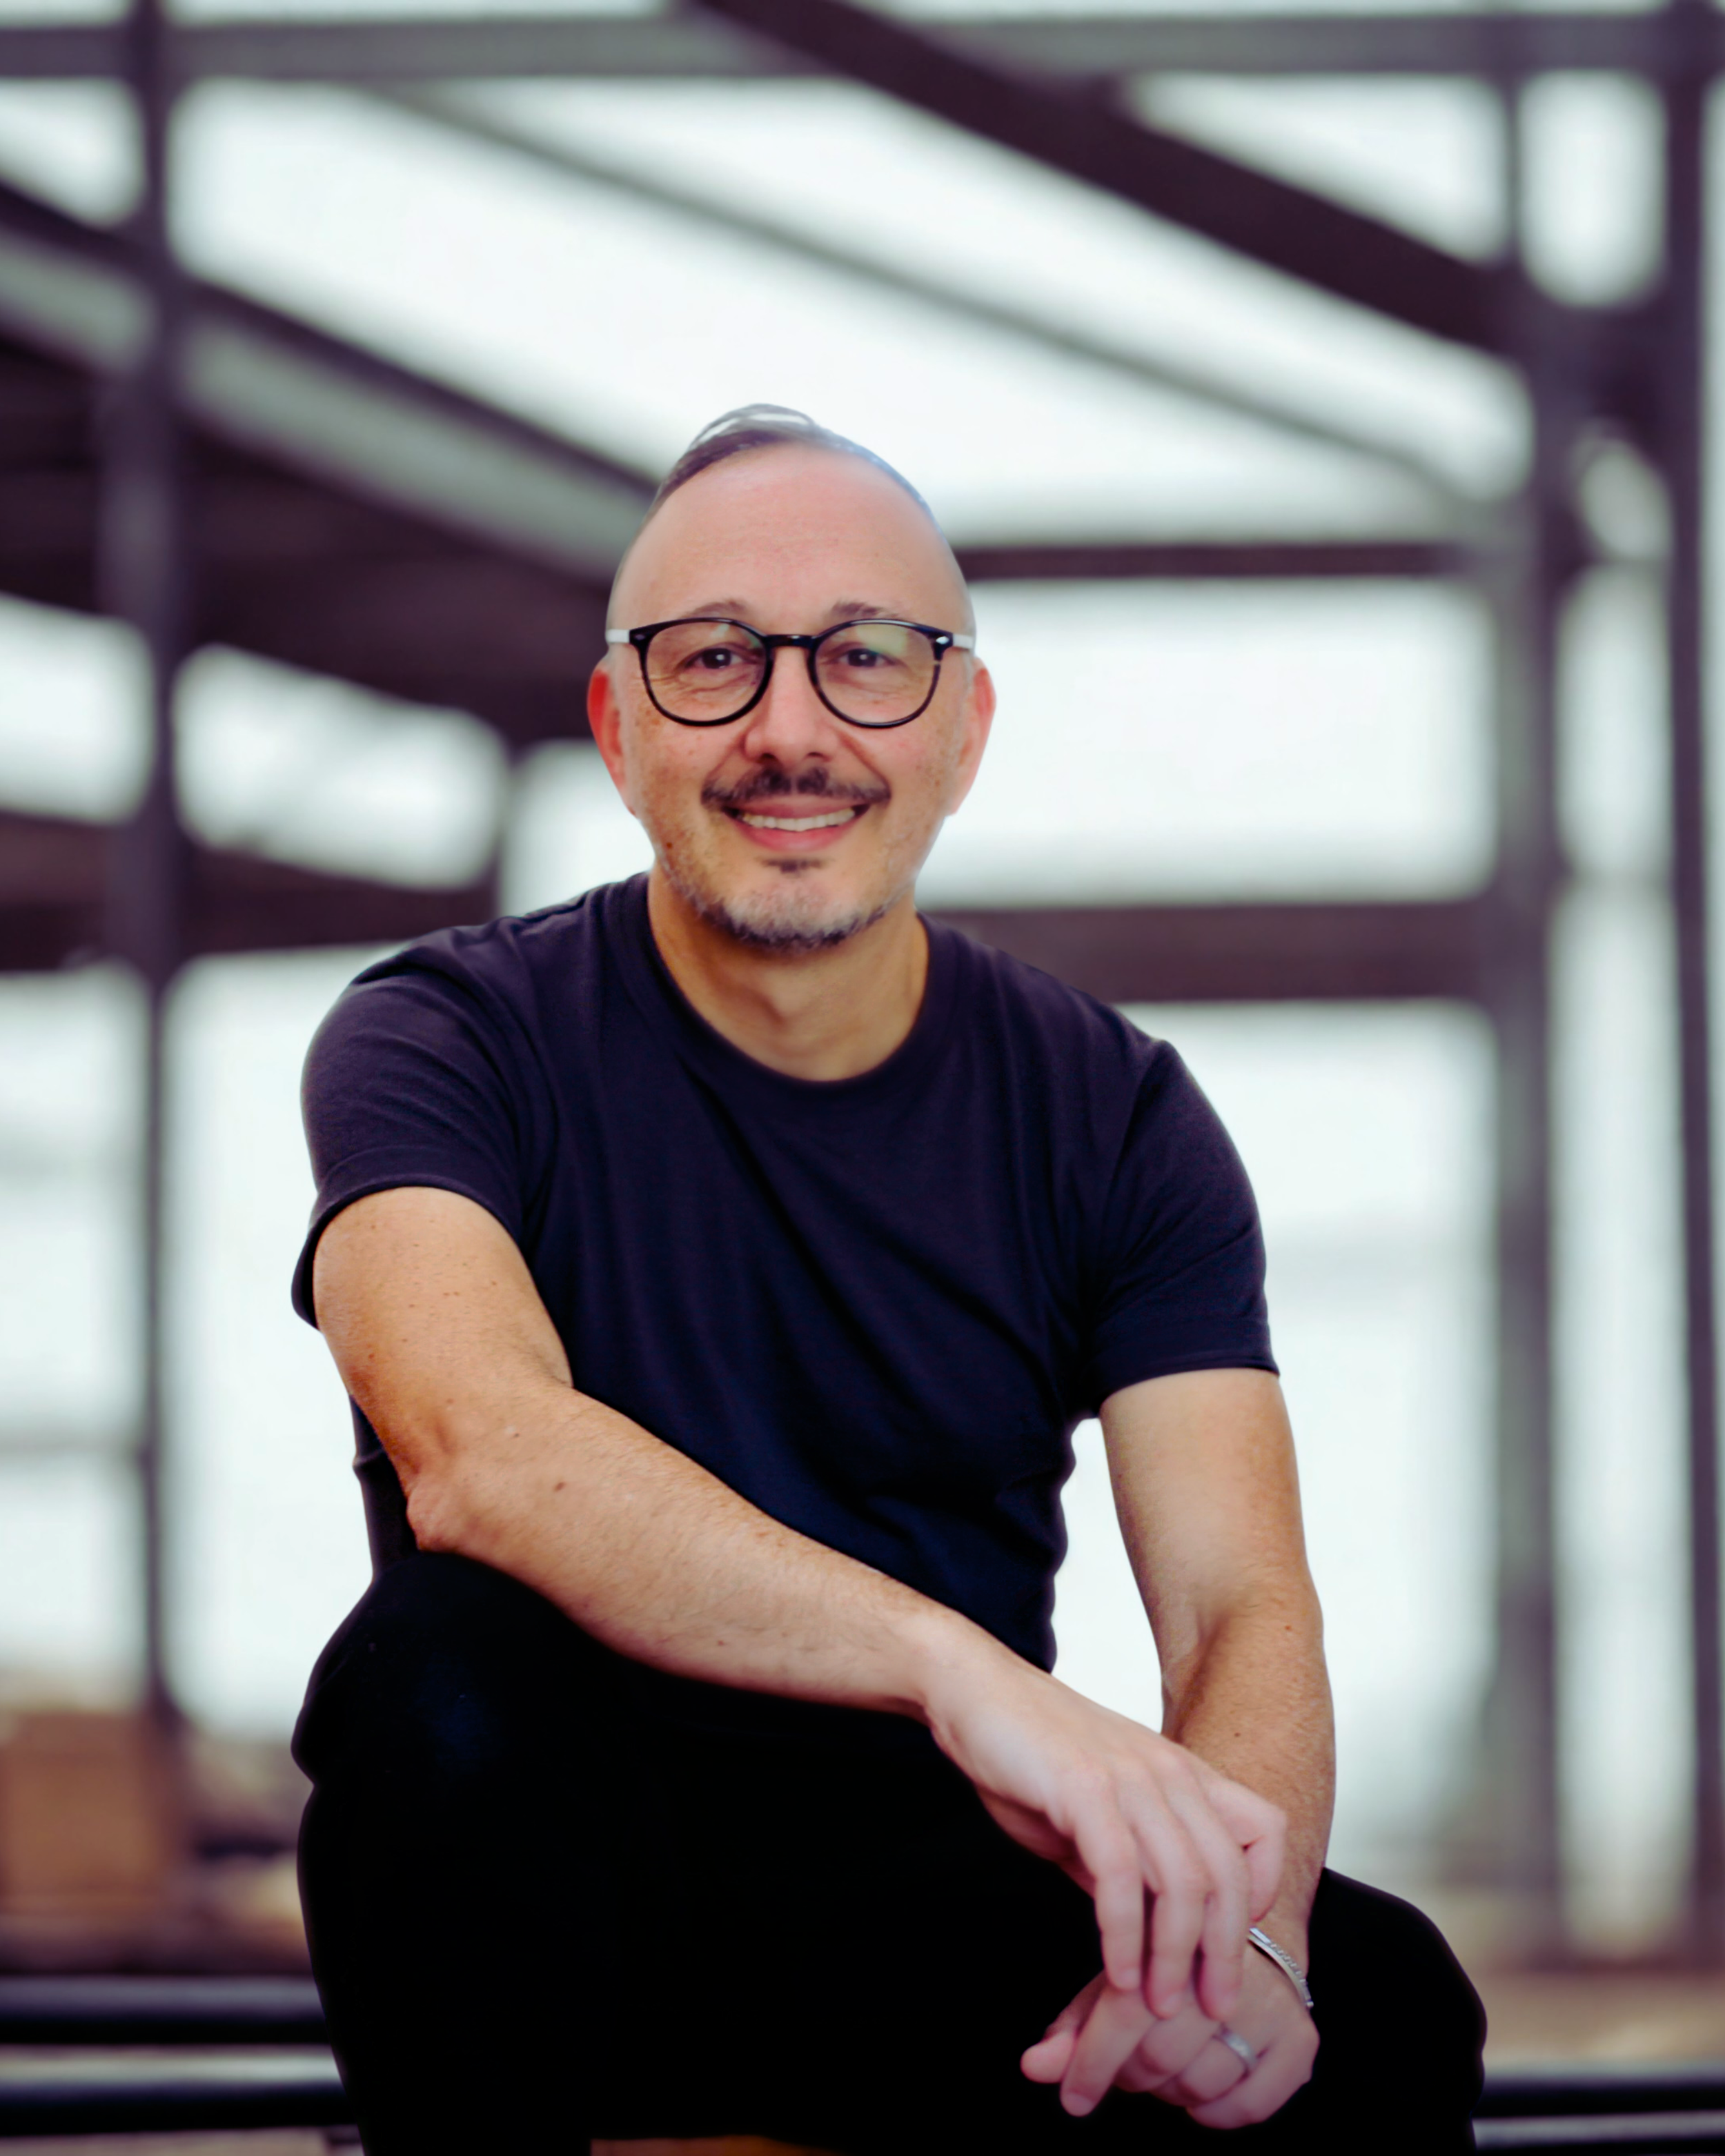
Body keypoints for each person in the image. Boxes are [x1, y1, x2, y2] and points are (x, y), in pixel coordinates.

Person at [290, 405, 1485, 2155]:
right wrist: (961, 1670)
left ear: (962, 728)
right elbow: (480, 1446)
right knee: (437, 1669)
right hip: (556, 1897)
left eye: (867, 659)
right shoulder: (444, 1034)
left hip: (926, 1906)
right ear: (617, 730)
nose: (790, 730)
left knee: (1375, 2005)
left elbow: (1239, 1601)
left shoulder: (1112, 1109)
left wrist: (1234, 1931)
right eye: (713, 662)